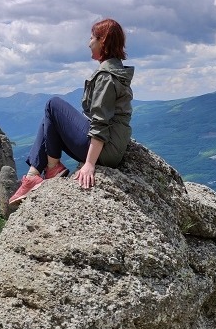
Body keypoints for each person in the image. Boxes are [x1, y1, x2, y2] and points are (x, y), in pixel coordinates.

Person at [8, 18, 133, 205]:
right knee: (49, 118)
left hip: (105, 152)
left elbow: (100, 123)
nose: (88, 43)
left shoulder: (106, 77)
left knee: (52, 104)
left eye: (92, 38)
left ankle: (51, 168)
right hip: (112, 148)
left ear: (102, 41)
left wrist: (89, 164)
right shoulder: (115, 72)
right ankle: (34, 174)